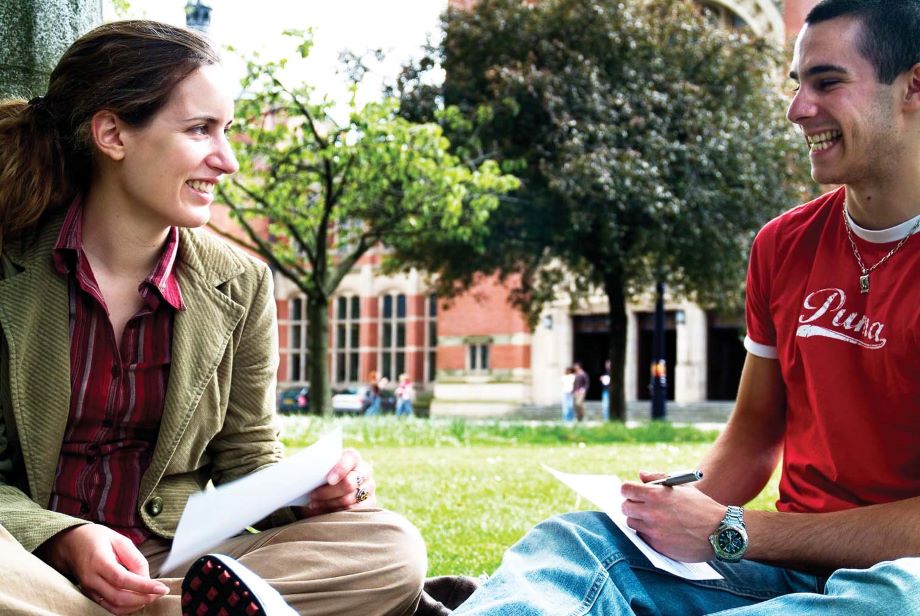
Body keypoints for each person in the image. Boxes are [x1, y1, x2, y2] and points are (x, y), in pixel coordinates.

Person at [452, 1, 920, 613]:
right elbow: (754, 432)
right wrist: (679, 507)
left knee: (896, 597)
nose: (798, 109)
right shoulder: (784, 244)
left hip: (896, 576)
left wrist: (731, 531)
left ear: (913, 85)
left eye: (827, 82)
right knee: (576, 544)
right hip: (784, 567)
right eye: (797, 84)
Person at [0, 20, 425, 615]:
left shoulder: (243, 284)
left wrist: (307, 495)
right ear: (112, 133)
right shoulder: (9, 263)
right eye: (201, 130)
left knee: (391, 546)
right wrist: (62, 538)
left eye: (227, 131)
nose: (226, 161)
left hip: (178, 561)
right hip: (31, 558)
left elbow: (248, 457)